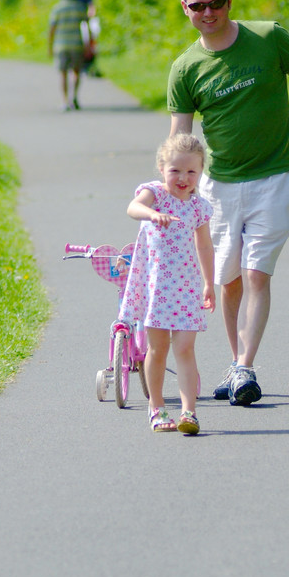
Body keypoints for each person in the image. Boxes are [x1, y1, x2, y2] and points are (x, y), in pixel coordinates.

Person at [168, 0, 289, 406]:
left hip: (274, 177)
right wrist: (172, 189)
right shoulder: (185, 67)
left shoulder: (270, 37)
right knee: (228, 280)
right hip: (219, 186)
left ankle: (245, 364)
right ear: (186, 9)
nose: (208, 12)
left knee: (256, 273)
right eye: (198, 6)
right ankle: (239, 367)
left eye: (217, 3)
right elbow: (180, 139)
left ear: (229, 2)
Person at [118, 133, 216, 434]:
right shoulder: (155, 194)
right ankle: (157, 407)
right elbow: (133, 208)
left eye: (191, 172)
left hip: (185, 287)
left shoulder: (198, 207)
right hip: (156, 287)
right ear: (162, 168)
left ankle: (189, 412)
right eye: (175, 170)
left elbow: (204, 246)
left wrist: (209, 283)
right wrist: (152, 214)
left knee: (185, 347)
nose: (183, 178)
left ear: (200, 173)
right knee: (157, 350)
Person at [47, 0, 88, 110]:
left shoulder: (57, 8)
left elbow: (52, 29)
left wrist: (50, 46)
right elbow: (86, 27)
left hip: (61, 45)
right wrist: (88, 44)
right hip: (76, 44)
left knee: (63, 74)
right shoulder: (80, 7)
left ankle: (65, 101)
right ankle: (74, 97)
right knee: (76, 72)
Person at [70, 0, 100, 75]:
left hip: (85, 20)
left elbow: (91, 6)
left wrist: (91, 13)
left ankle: (91, 57)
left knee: (93, 32)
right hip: (74, 20)